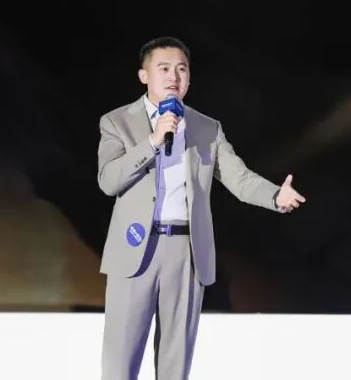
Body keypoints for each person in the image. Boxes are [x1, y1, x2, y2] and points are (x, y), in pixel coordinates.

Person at [96, 36, 306, 380]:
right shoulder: (117, 122)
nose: (173, 76)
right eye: (164, 68)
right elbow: (108, 180)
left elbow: (239, 178)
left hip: (187, 251)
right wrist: (153, 140)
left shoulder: (207, 128)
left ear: (190, 78)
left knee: (176, 363)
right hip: (135, 247)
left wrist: (274, 196)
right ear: (144, 75)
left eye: (181, 69)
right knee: (120, 364)